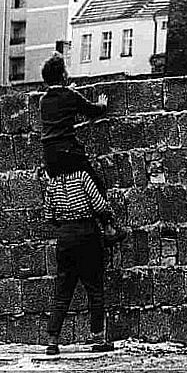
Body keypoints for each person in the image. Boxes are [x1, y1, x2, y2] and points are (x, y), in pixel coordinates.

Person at [40, 51, 126, 244]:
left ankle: (65, 226)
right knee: (95, 183)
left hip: (50, 157)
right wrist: (103, 105)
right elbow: (92, 111)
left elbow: (58, 101)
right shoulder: (69, 95)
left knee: (61, 189)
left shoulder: (43, 100)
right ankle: (109, 228)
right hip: (69, 151)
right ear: (63, 75)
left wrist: (68, 91)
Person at [44, 169, 115, 355]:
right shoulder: (82, 176)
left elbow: (48, 216)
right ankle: (98, 337)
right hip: (87, 235)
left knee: (62, 291)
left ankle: (53, 341)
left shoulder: (53, 181)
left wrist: (66, 224)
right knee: (94, 288)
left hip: (65, 238)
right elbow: (100, 205)